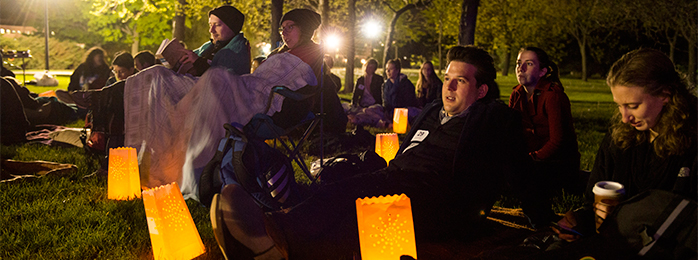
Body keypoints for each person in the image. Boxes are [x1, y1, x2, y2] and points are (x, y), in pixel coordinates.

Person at [210, 46, 554, 259]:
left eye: (460, 81)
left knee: (352, 196)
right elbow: (405, 151)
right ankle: (279, 229)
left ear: (480, 91)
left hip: (441, 198)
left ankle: (273, 230)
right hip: (400, 178)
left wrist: (542, 220)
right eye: (447, 77)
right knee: (343, 188)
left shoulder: (493, 119)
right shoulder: (434, 111)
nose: (448, 86)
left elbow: (519, 171)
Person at [551, 49, 697, 255]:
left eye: (633, 106)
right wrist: (580, 222)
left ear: (665, 95)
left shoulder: (692, 140)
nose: (624, 118)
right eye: (619, 106)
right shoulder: (620, 137)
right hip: (614, 243)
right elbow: (592, 202)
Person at [509, 47, 580, 196]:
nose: (520, 68)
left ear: (542, 71)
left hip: (556, 161)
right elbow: (511, 133)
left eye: (529, 64)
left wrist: (529, 159)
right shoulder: (516, 94)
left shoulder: (552, 95)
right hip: (529, 158)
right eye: (518, 63)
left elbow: (557, 142)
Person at [268, 8, 347, 134]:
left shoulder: (310, 54)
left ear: (304, 30)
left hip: (285, 109)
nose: (283, 33)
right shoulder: (280, 54)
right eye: (282, 28)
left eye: (290, 27)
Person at [180, 5, 251, 76]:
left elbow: (222, 80)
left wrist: (197, 62)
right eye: (210, 25)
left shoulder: (237, 52)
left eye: (217, 25)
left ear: (232, 27)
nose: (211, 30)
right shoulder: (209, 46)